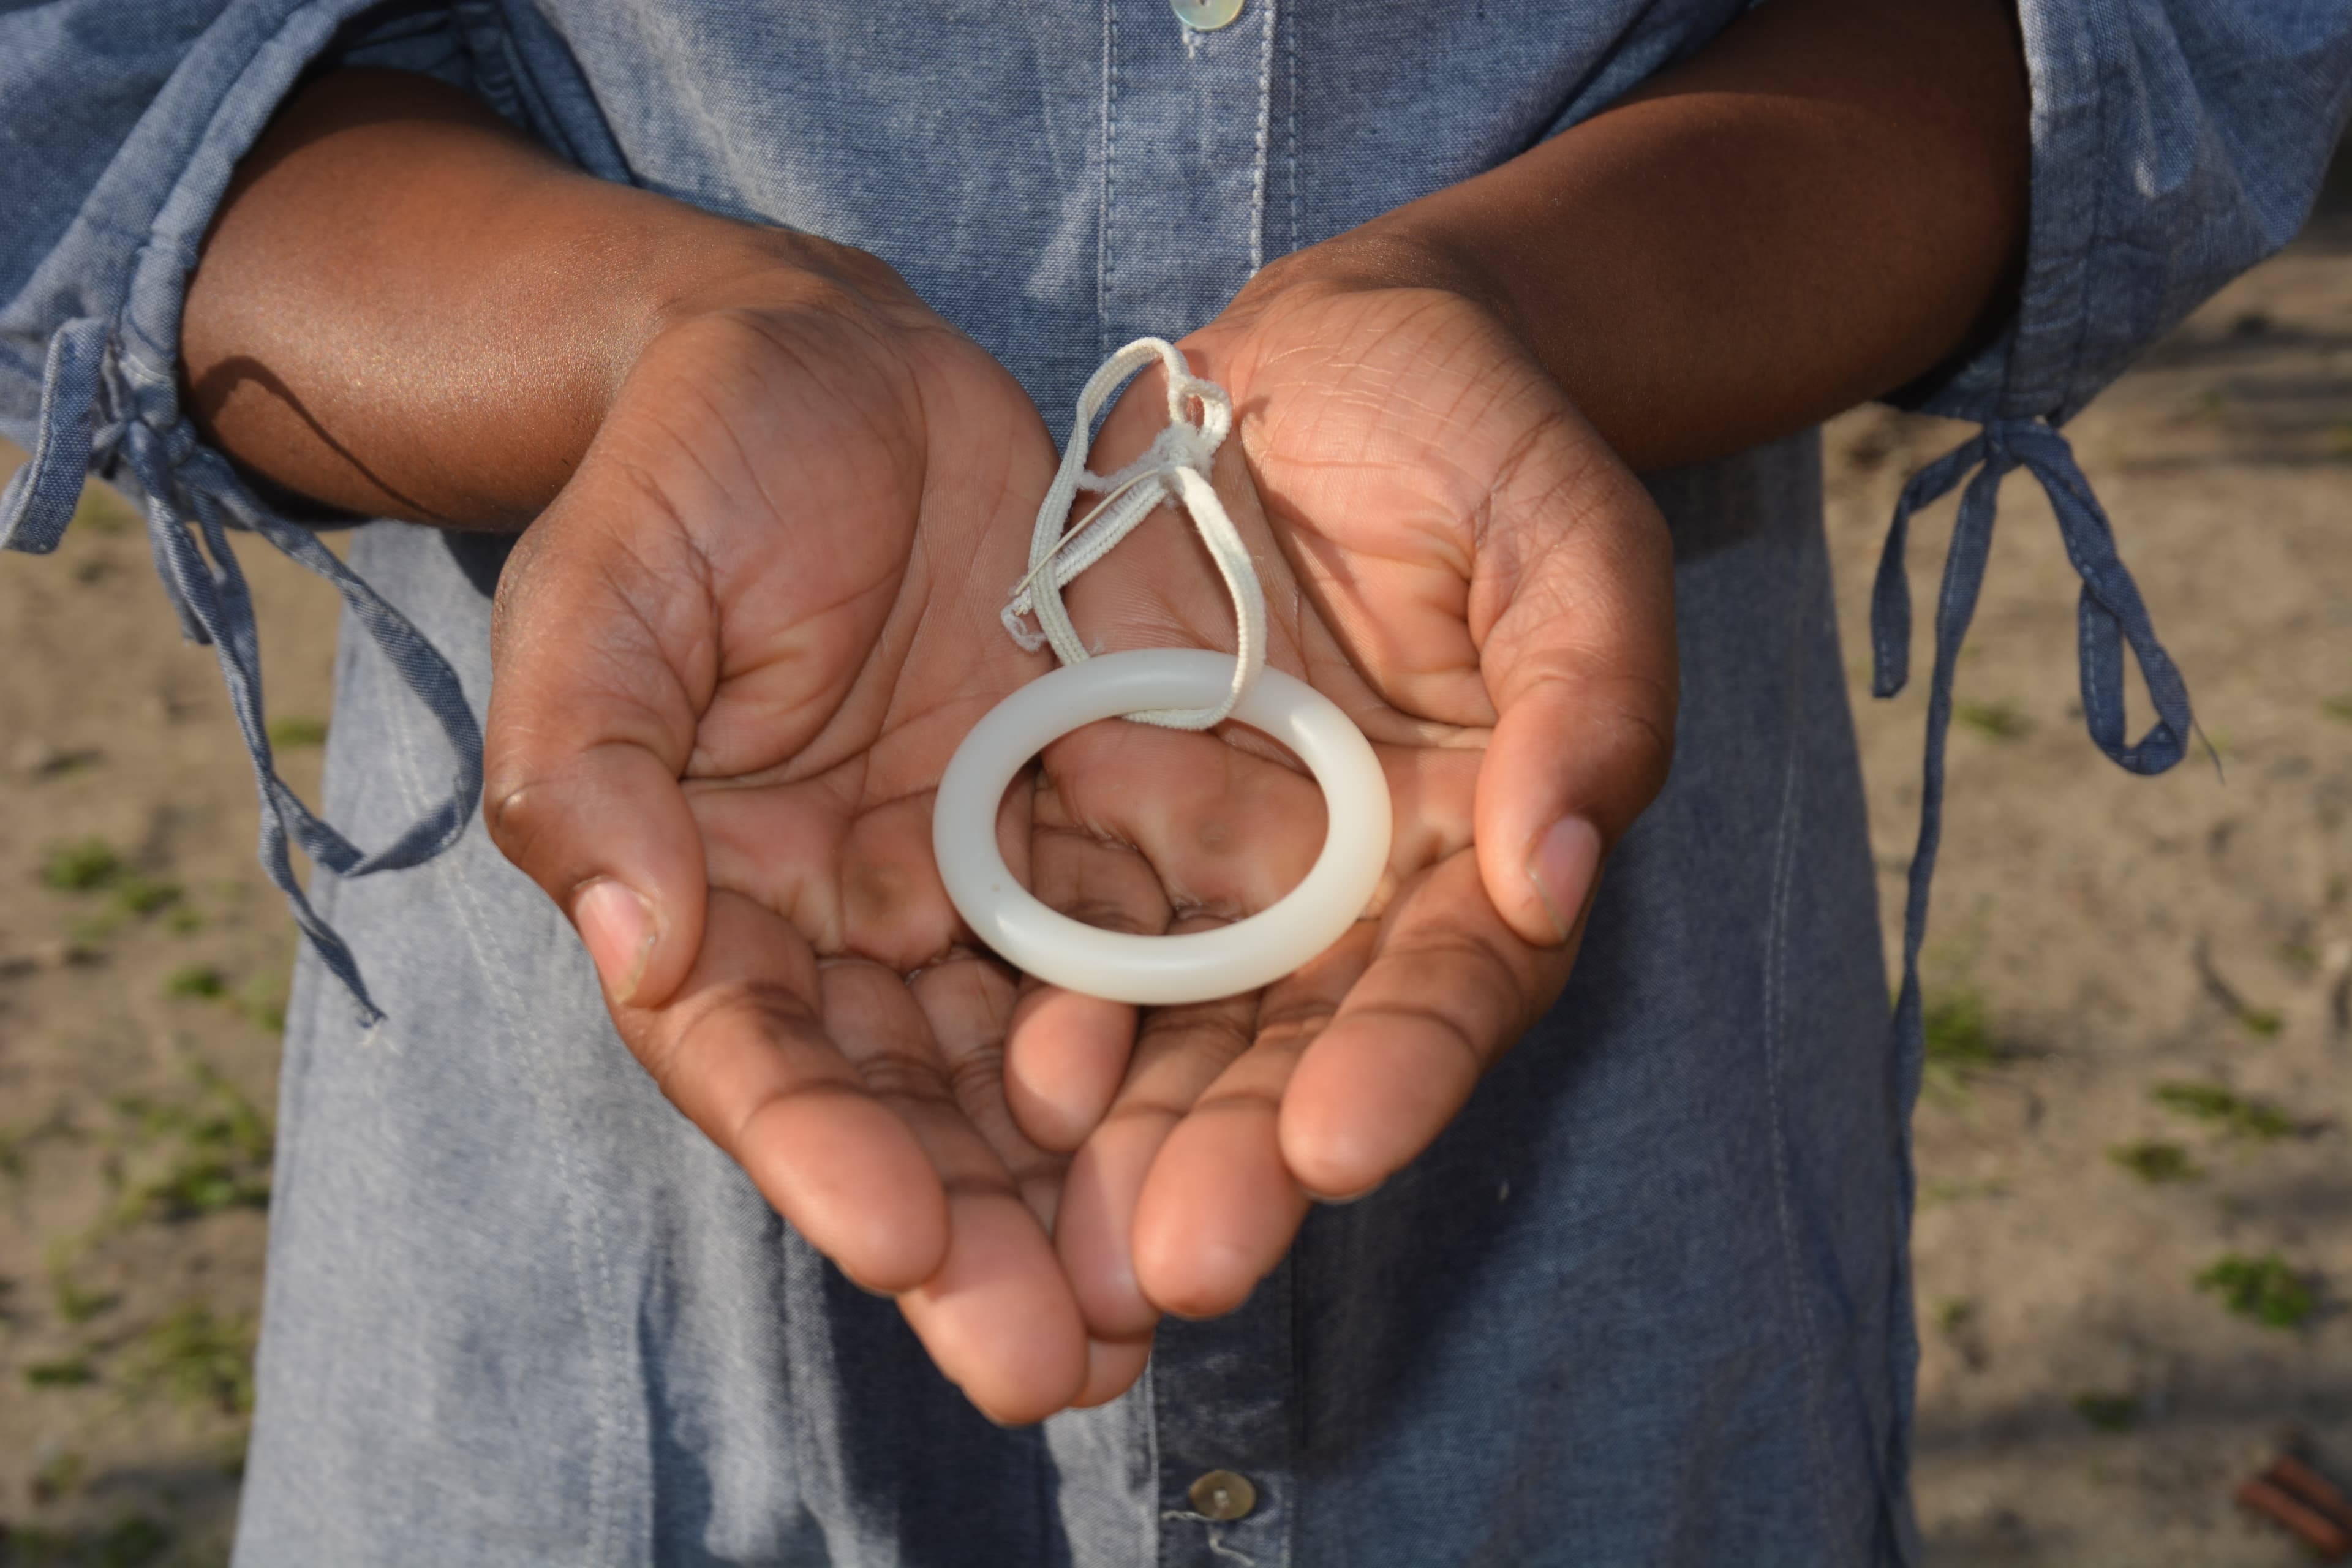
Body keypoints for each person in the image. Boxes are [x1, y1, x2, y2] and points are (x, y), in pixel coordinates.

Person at [4, 1, 2345, 1561]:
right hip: (602, 1264)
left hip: (1626, 1244)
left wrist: (1525, 309)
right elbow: (89, 84)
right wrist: (660, 348)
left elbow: (2143, 32)